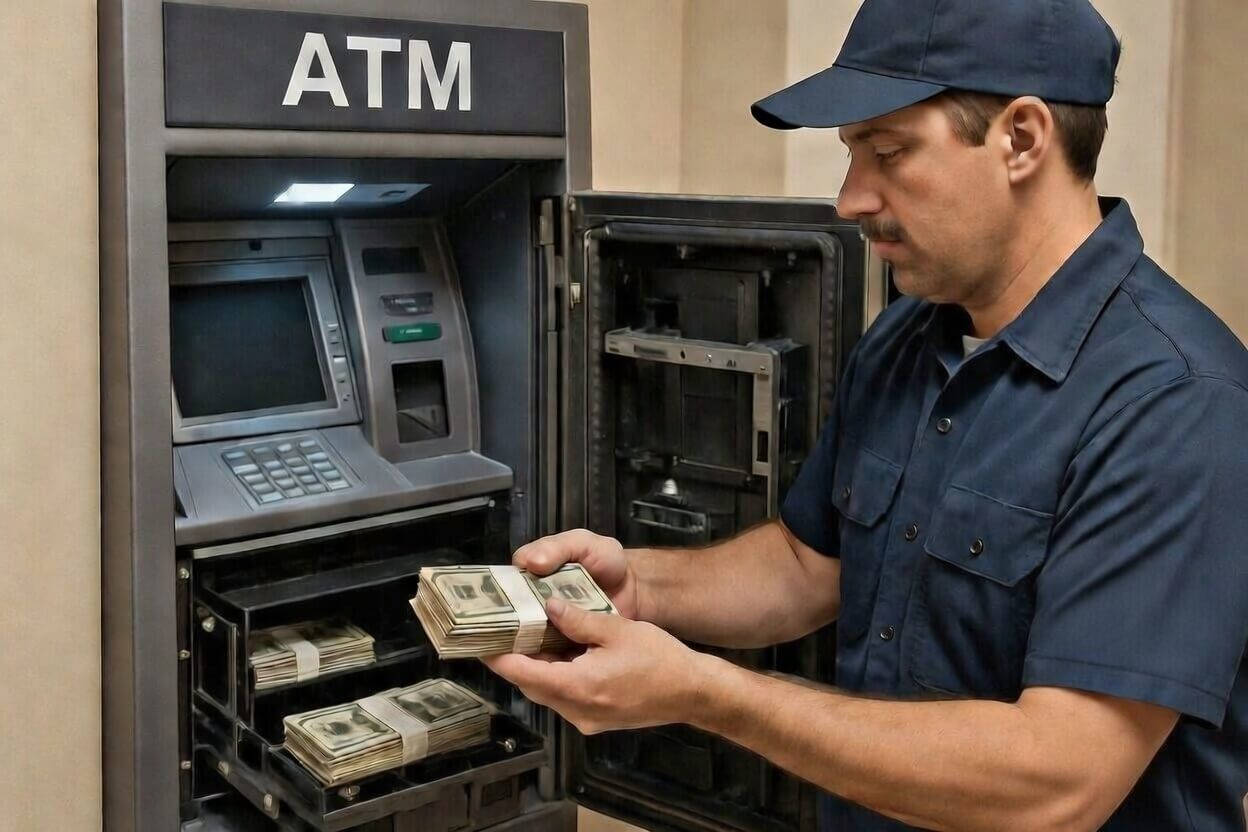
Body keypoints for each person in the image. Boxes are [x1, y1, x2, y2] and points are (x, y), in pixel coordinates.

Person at [483, 0, 1248, 829]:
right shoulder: (911, 334)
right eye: (853, 155)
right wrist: (638, 588)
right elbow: (810, 567)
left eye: (888, 152)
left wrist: (705, 693)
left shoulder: (1176, 403)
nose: (849, 199)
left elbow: (1059, 780)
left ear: (1022, 139)